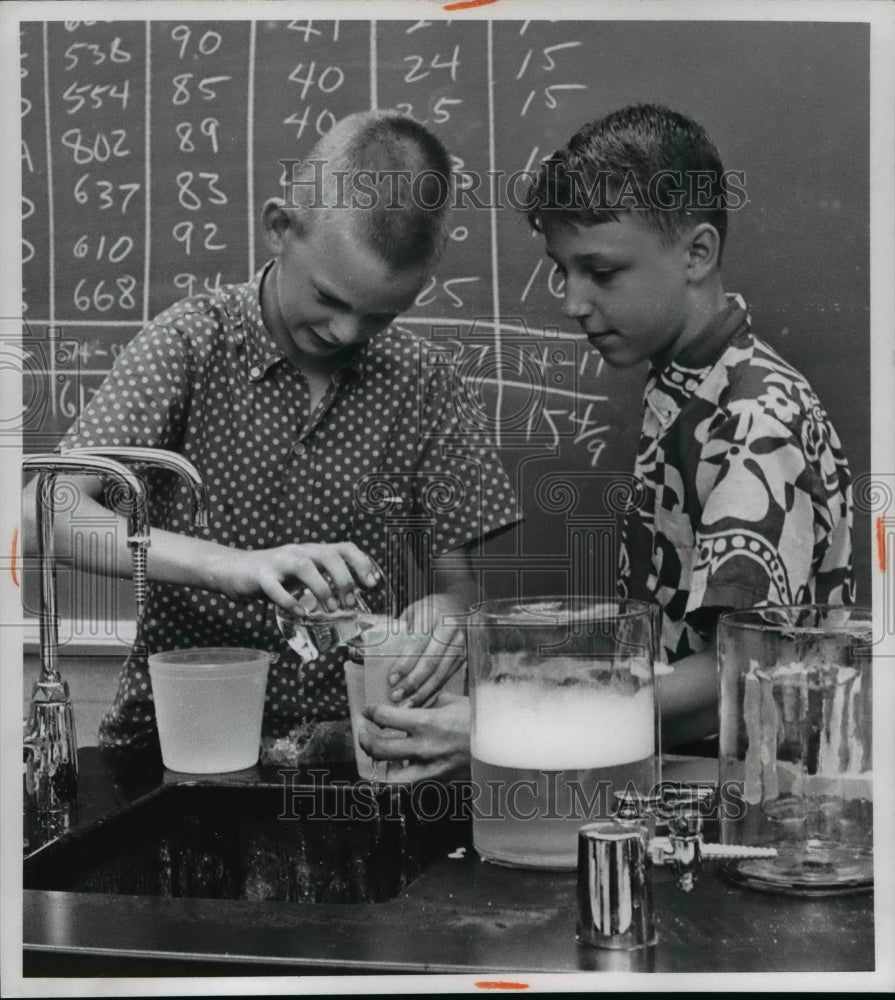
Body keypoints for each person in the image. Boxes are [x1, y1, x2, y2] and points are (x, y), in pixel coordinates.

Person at [362, 103, 853, 777]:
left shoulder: (751, 418)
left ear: (697, 252)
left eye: (602, 271)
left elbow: (739, 669)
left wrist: (506, 722)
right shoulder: (686, 386)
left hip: (764, 803)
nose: (572, 301)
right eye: (563, 270)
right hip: (695, 777)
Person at [28, 110, 519, 757]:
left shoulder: (425, 380)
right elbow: (43, 512)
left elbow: (458, 587)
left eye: (379, 315)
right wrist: (233, 568)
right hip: (175, 753)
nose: (346, 333)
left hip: (356, 753)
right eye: (329, 298)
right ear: (280, 228)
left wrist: (448, 614)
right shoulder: (191, 341)